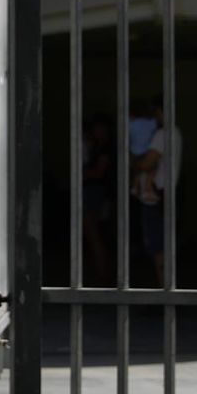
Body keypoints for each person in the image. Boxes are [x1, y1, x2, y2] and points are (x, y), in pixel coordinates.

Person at [132, 96, 183, 286]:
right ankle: (168, 288)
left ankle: (165, 289)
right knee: (163, 245)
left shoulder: (163, 134)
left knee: (158, 247)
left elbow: (147, 163)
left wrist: (135, 163)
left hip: (155, 197)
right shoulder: (175, 133)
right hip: (166, 195)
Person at [80, 115, 114, 282]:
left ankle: (102, 275)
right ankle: (101, 272)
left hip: (96, 192)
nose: (95, 131)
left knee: (94, 234)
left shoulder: (105, 149)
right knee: (94, 233)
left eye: (98, 128)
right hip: (95, 191)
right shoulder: (97, 147)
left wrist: (82, 173)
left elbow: (99, 172)